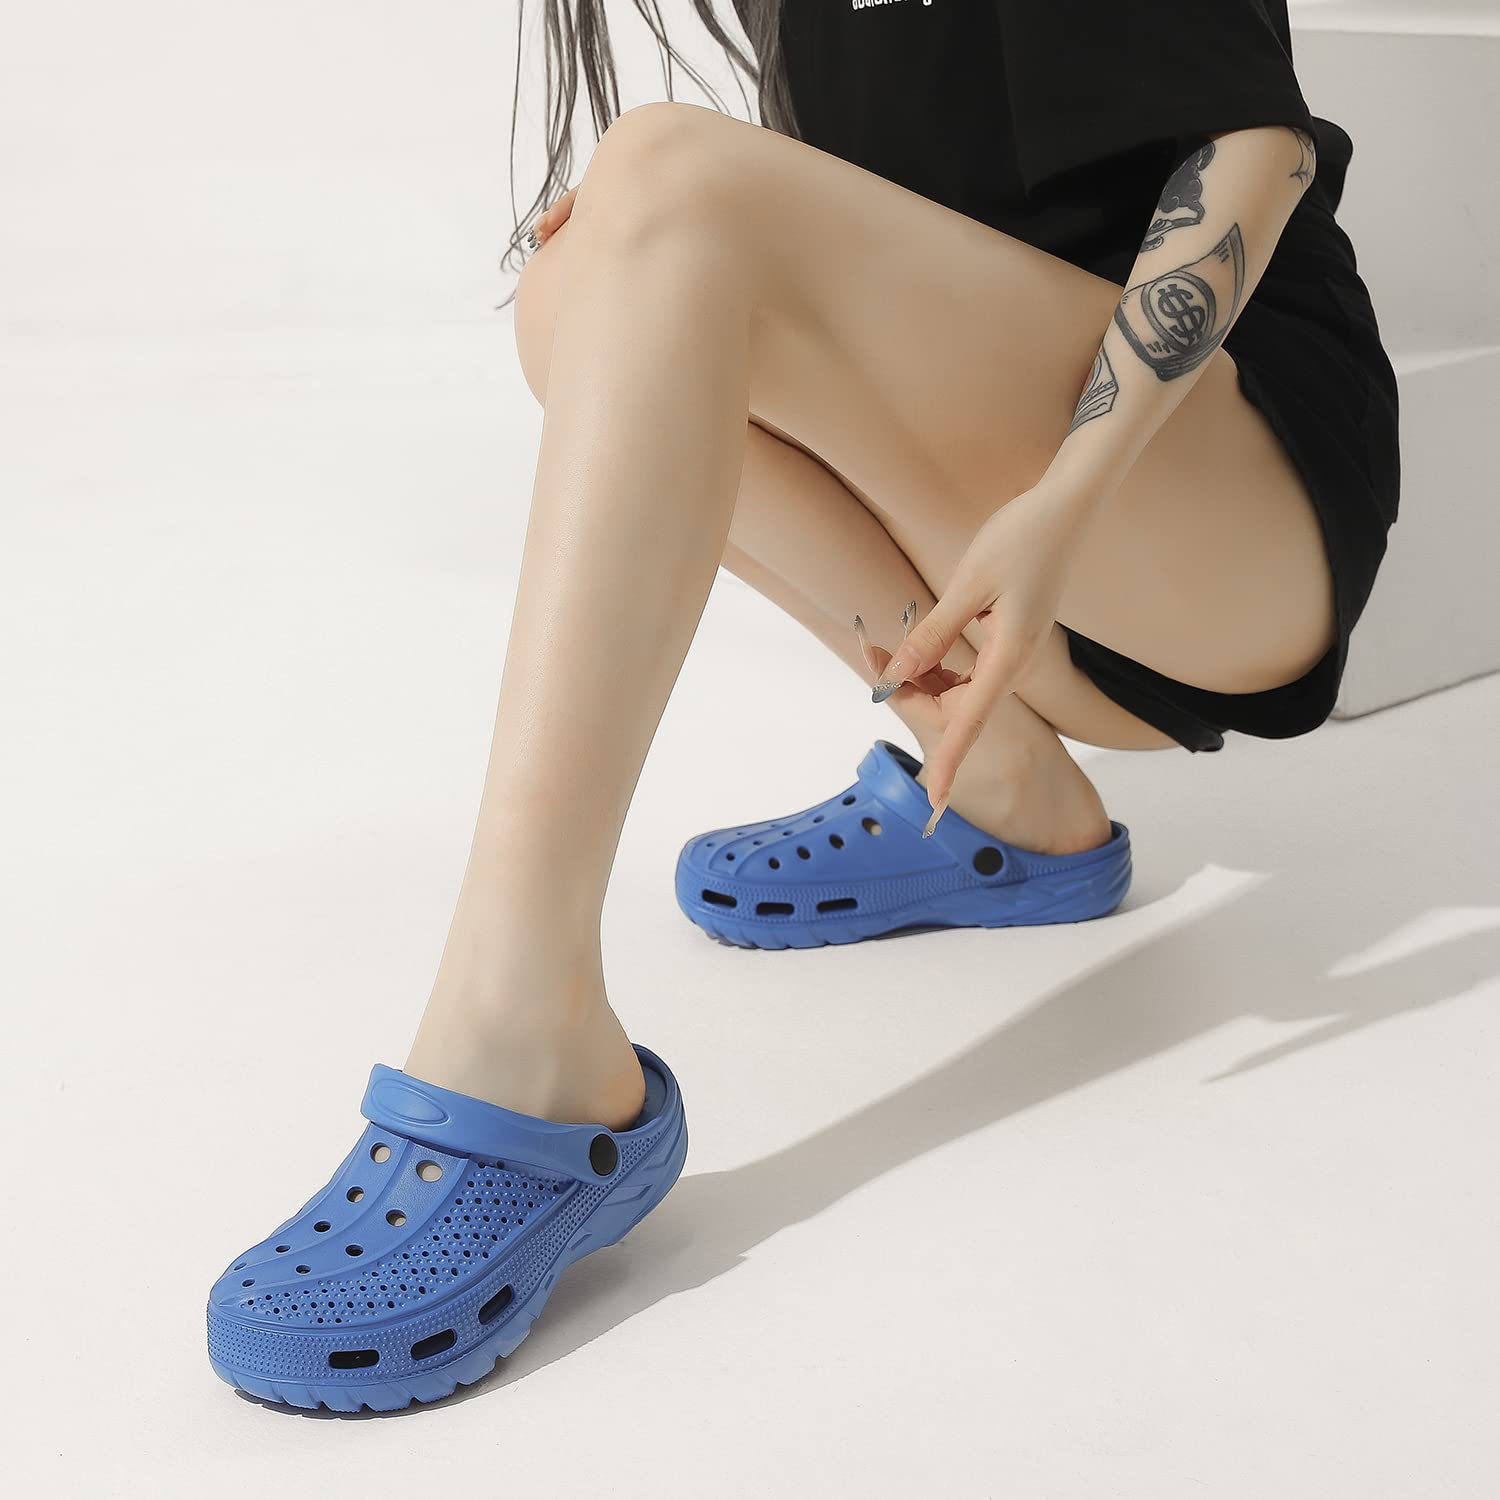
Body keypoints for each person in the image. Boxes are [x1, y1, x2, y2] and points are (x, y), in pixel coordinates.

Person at [206, 0, 1400, 1410]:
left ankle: (525, 1023)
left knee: (669, 180)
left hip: (1226, 509)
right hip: (1030, 573)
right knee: (578, 293)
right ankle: (1003, 785)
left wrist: (1067, 503)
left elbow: (1258, 148)